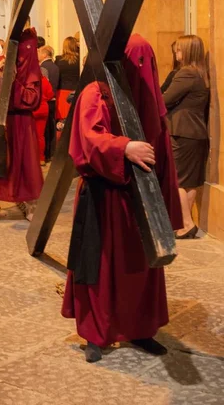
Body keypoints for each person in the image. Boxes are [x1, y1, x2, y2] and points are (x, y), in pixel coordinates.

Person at [62, 34, 183, 363]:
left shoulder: (150, 99)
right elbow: (88, 136)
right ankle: (95, 334)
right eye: (137, 62)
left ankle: (140, 329)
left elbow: (163, 151)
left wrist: (165, 208)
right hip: (104, 197)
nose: (143, 70)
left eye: (148, 62)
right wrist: (124, 147)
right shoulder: (95, 92)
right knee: (99, 268)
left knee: (140, 269)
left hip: (140, 200)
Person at [0, 26, 43, 224]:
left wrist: (13, 82)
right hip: (2, 120)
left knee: (25, 165)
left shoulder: (32, 68)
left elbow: (32, 99)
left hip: (23, 123)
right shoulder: (0, 63)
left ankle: (30, 205)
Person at [163, 35, 209, 239]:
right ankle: (185, 224)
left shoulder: (186, 73)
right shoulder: (200, 73)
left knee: (178, 180)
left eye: (179, 49)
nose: (176, 53)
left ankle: (186, 224)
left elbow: (165, 99)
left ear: (189, 51)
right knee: (189, 181)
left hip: (183, 132)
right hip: (195, 133)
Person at [55, 37, 80, 138]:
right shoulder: (79, 60)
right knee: (74, 119)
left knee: (61, 121)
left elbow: (57, 77)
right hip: (75, 92)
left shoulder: (59, 60)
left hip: (62, 92)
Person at [38, 45, 60, 161]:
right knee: (50, 128)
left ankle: (43, 155)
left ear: (44, 54)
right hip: (51, 101)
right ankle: (50, 153)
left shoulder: (44, 68)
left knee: (41, 133)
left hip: (41, 103)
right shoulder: (55, 67)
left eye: (39, 53)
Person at [33, 69, 54, 165]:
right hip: (44, 108)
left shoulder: (31, 80)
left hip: (33, 108)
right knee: (40, 136)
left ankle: (31, 157)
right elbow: (50, 94)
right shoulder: (45, 80)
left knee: (30, 135)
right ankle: (41, 158)